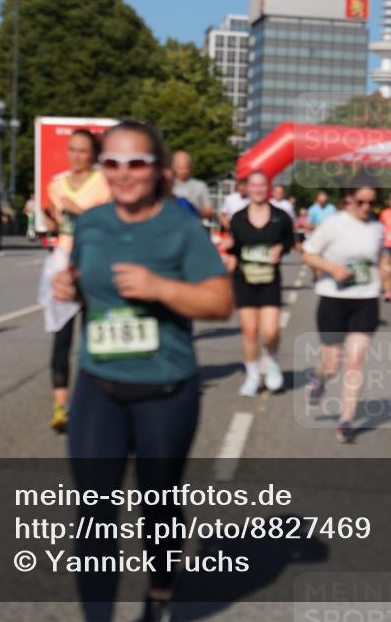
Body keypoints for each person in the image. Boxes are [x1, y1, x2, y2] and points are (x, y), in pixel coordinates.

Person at [52, 120, 232, 622]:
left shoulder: (180, 228)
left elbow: (220, 301)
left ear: (157, 169)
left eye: (137, 163)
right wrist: (69, 286)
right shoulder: (90, 224)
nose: (124, 174)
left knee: (159, 508)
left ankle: (160, 592)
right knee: (94, 517)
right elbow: (88, 283)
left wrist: (162, 288)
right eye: (113, 163)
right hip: (98, 387)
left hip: (165, 390)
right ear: (101, 168)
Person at [301, 174, 390, 444]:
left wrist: (387, 273)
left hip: (365, 299)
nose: (366, 208)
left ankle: (346, 420)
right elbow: (308, 253)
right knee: (332, 365)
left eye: (371, 203)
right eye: (361, 201)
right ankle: (319, 378)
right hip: (333, 299)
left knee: (355, 362)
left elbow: (382, 256)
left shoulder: (377, 227)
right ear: (349, 198)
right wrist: (331, 268)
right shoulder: (333, 224)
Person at [42, 129, 111, 433]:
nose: (76, 156)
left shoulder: (104, 183)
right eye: (72, 149)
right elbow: (57, 226)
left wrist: (78, 210)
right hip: (62, 263)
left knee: (93, 337)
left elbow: (106, 224)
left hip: (94, 263)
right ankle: (61, 406)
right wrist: (50, 220)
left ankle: (95, 404)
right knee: (61, 337)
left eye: (83, 150)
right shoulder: (56, 185)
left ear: (93, 154)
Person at [224, 171, 295, 396]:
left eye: (262, 185)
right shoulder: (238, 218)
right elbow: (233, 248)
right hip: (244, 279)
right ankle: (253, 375)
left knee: (271, 330)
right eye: (253, 186)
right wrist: (227, 257)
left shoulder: (281, 216)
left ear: (269, 188)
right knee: (250, 331)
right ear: (247, 188)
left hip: (269, 279)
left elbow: (289, 241)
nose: (258, 190)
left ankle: (271, 362)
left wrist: (280, 249)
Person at [171, 150, 213, 220]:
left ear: (191, 167)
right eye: (180, 168)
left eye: (186, 168)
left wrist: (195, 213)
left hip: (193, 226)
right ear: (173, 167)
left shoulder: (200, 186)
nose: (183, 171)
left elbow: (209, 211)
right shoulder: (166, 185)